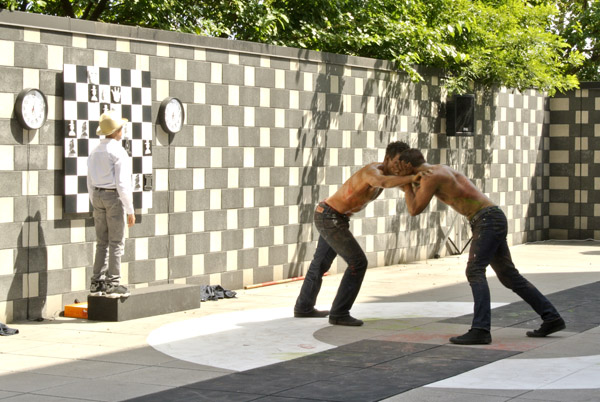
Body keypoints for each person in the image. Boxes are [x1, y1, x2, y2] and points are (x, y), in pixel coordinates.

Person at [396, 148, 565, 344]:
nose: (396, 171)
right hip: (490, 218)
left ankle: (481, 329)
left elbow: (414, 208)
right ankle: (551, 317)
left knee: (475, 270)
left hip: (487, 220)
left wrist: (405, 184)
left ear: (407, 165)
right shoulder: (438, 170)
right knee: (509, 275)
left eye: (398, 167)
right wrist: (408, 181)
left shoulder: (430, 177)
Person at [294, 141, 422, 326]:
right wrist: (412, 177)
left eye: (402, 164)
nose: (398, 168)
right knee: (358, 262)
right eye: (396, 163)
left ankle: (303, 307)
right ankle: (339, 313)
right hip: (329, 216)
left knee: (320, 263)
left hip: (334, 217)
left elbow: (408, 187)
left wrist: (418, 179)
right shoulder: (373, 172)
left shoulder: (392, 176)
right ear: (387, 158)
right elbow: (383, 182)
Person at [87, 111, 136, 298]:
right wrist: (130, 209)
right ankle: (113, 283)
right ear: (116, 131)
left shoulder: (94, 151)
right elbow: (122, 184)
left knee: (102, 241)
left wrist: (94, 200)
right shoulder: (118, 151)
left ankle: (97, 282)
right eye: (121, 128)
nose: (122, 130)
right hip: (113, 197)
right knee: (116, 241)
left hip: (97, 195)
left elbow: (89, 180)